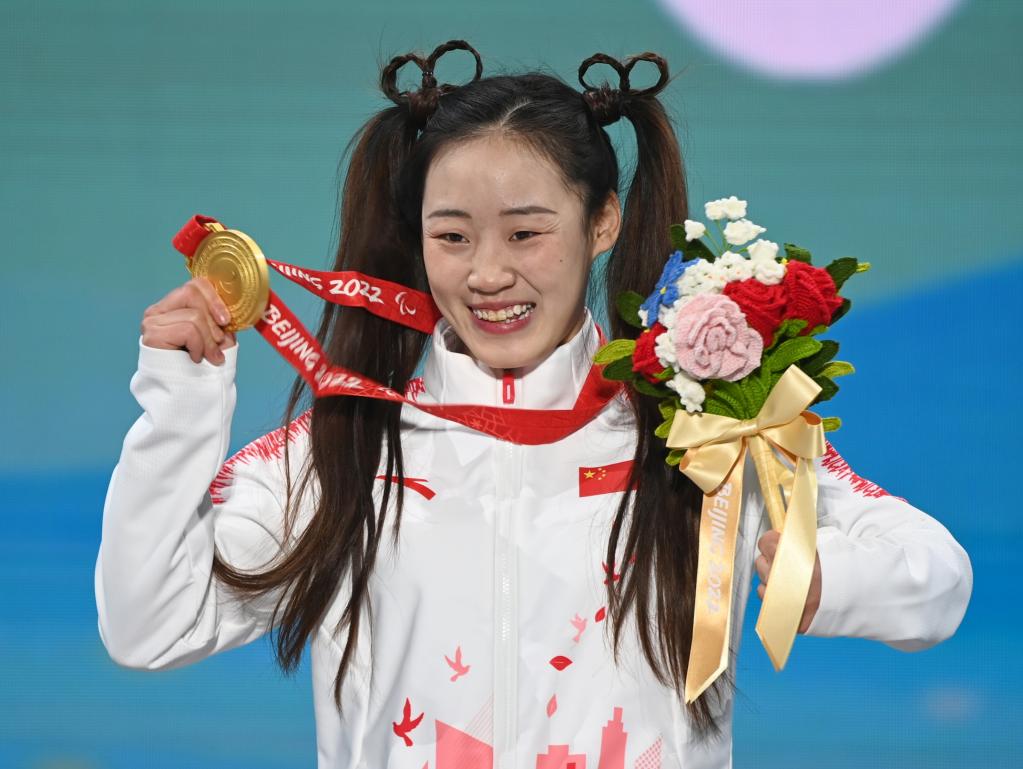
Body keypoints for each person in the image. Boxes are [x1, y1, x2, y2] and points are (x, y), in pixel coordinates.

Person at [94, 40, 973, 769]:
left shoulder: (704, 428)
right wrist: (181, 398)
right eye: (451, 236)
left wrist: (823, 577)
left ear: (601, 223)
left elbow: (938, 580)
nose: (486, 273)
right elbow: (149, 626)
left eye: (525, 232)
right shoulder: (344, 447)